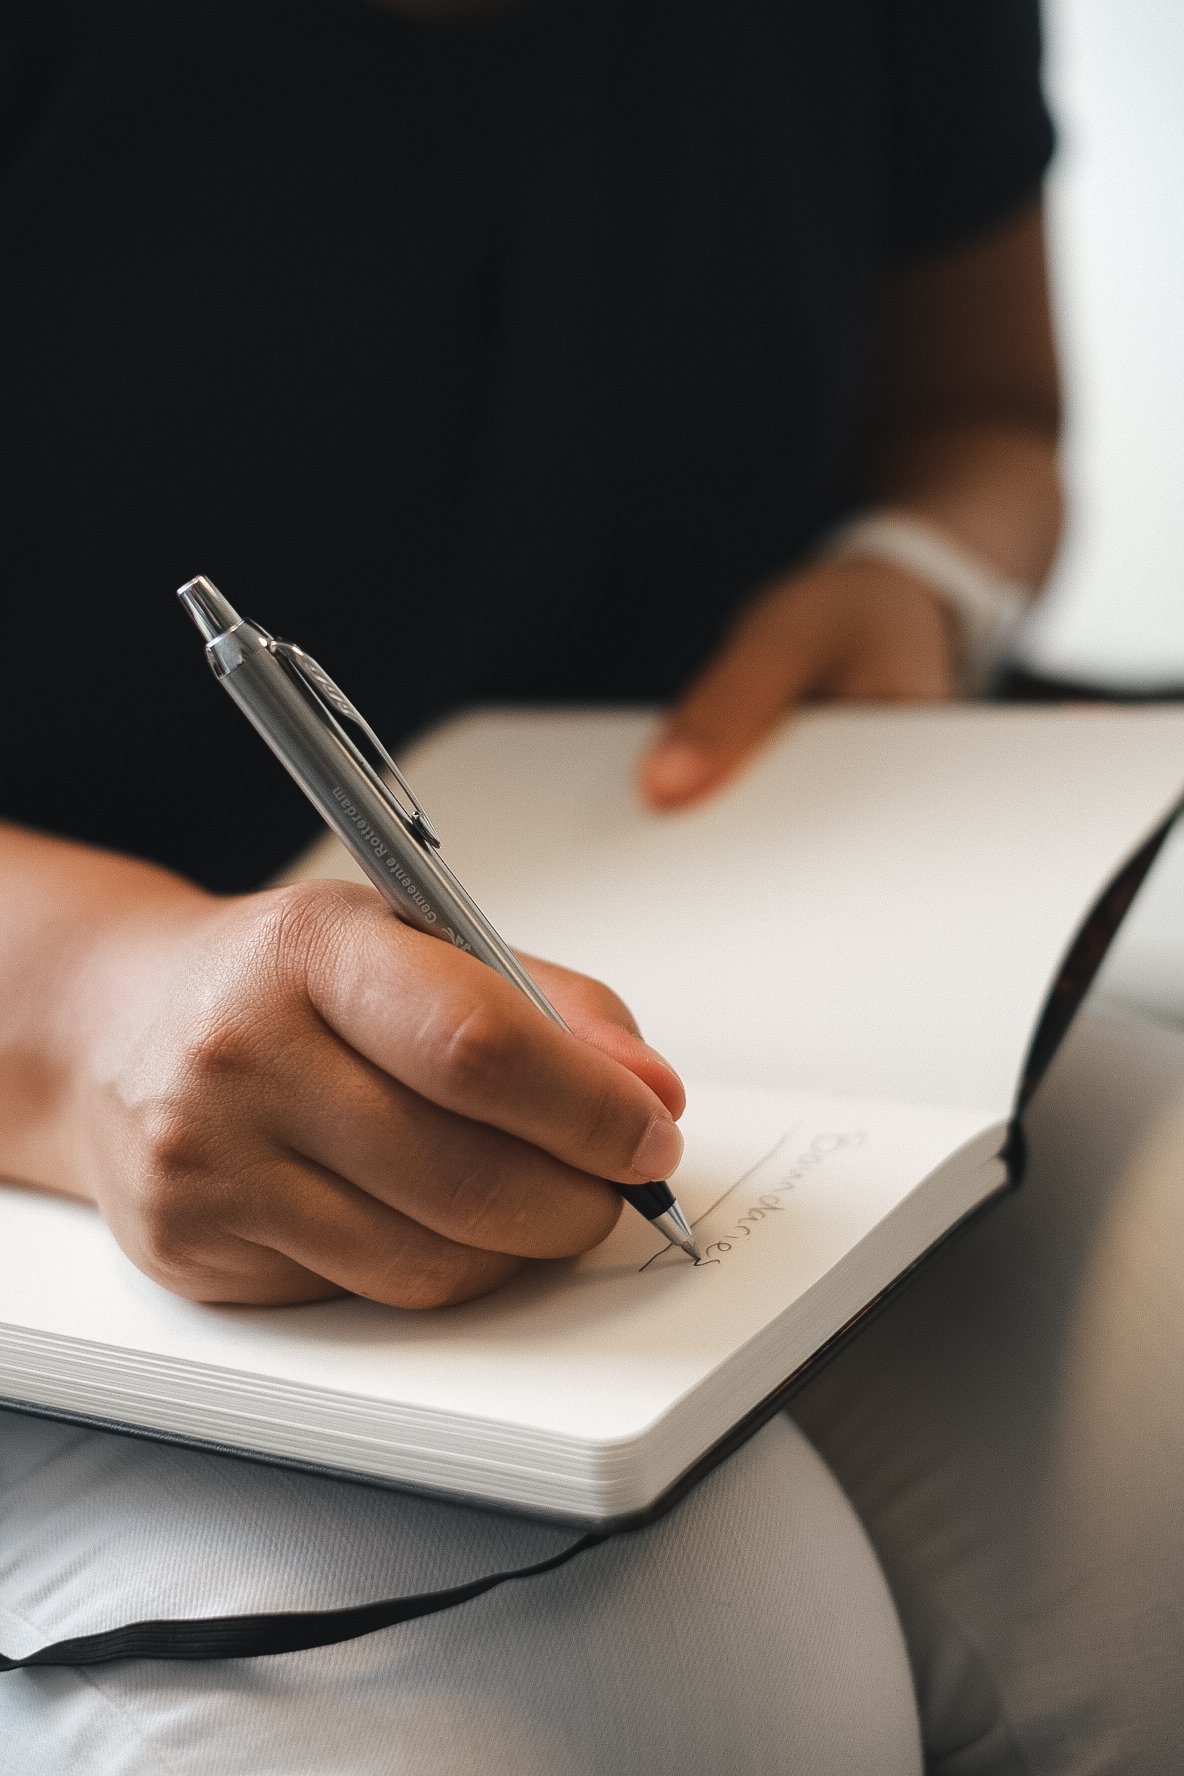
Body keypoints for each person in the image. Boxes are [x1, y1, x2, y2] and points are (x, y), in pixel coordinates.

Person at [5, 1, 1181, 1770]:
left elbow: (983, 410)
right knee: (656, 1676)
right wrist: (83, 1011)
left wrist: (915, 574)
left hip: (725, 926)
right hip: (53, 1067)